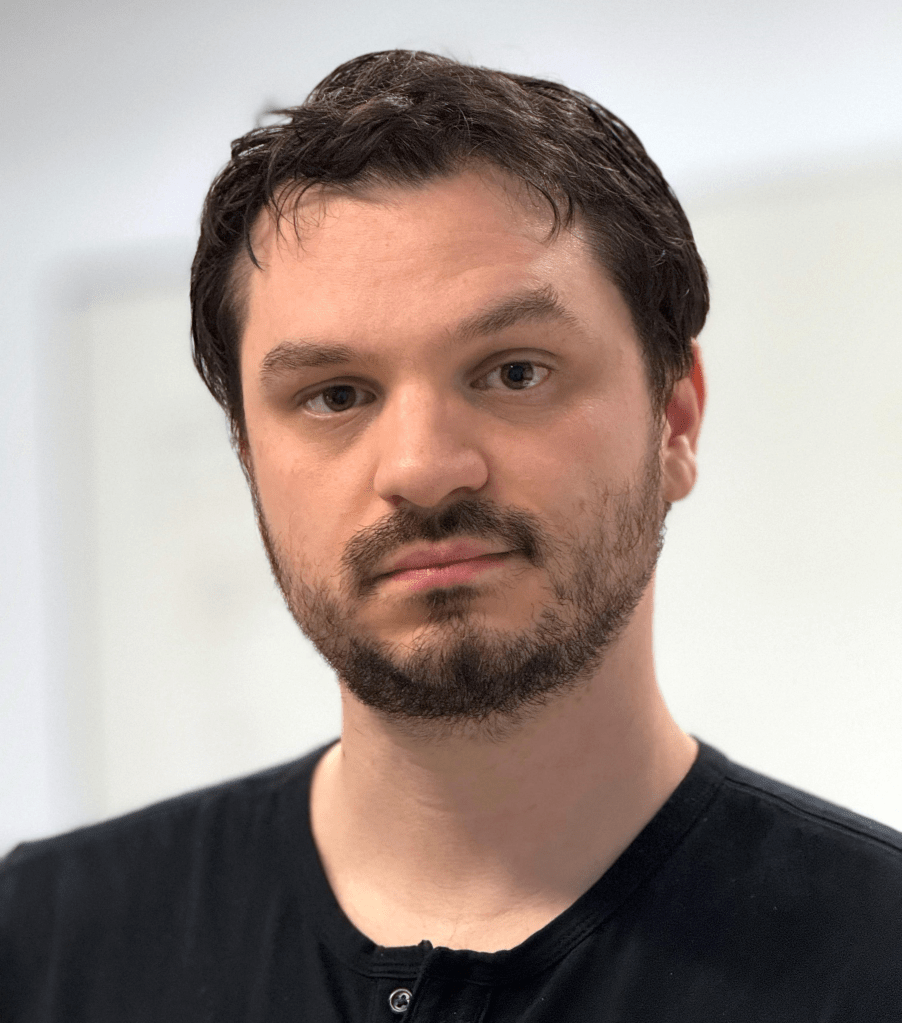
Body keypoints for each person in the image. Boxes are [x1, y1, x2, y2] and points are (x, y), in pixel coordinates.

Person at [2, 49, 900, 1022]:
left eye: (514, 372)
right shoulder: (47, 946)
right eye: (335, 395)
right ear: (250, 460)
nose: (423, 468)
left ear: (673, 420)